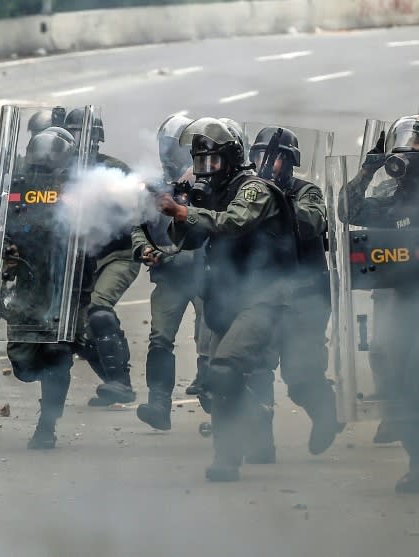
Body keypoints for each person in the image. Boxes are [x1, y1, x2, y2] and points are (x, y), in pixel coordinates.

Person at [159, 117, 297, 482]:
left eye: (213, 163)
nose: (207, 171)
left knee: (225, 368)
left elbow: (234, 223)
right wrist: (183, 203)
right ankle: (230, 452)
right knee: (217, 378)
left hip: (264, 295)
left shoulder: (255, 188)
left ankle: (231, 453)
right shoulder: (210, 192)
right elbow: (184, 241)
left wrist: (186, 211)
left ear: (232, 158)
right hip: (226, 296)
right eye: (201, 163)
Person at [337, 115, 419, 493]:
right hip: (397, 292)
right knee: (391, 370)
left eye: (413, 146)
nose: (405, 154)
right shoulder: (390, 195)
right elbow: (348, 211)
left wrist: (402, 232)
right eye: (401, 146)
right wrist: (368, 170)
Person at [247, 126, 342, 458]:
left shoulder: (307, 192)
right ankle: (259, 444)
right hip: (262, 296)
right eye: (260, 156)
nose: (265, 163)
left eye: (272, 158)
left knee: (300, 375)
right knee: (255, 369)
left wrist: (276, 199)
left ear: (288, 162)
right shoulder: (250, 193)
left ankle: (327, 413)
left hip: (305, 298)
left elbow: (311, 223)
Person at [3, 126, 80, 449]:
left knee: (56, 352)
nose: (42, 171)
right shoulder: (20, 187)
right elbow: (2, 224)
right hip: (30, 279)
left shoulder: (81, 189)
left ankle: (47, 424)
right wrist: (7, 246)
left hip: (67, 280)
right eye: (37, 165)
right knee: (22, 359)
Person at [134, 113, 208, 430]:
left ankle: (219, 410)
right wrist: (145, 250)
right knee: (160, 340)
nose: (168, 154)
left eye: (173, 147)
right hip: (169, 276)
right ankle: (159, 404)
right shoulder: (153, 186)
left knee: (211, 343)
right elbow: (138, 228)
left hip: (206, 275)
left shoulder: (209, 181)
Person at [63, 108, 141, 406]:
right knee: (75, 332)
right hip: (77, 262)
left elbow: (138, 209)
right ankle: (114, 384)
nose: (80, 141)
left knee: (98, 311)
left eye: (85, 135)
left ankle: (121, 383)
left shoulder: (114, 170)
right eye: (74, 134)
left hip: (116, 255)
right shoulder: (58, 171)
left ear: (97, 138)